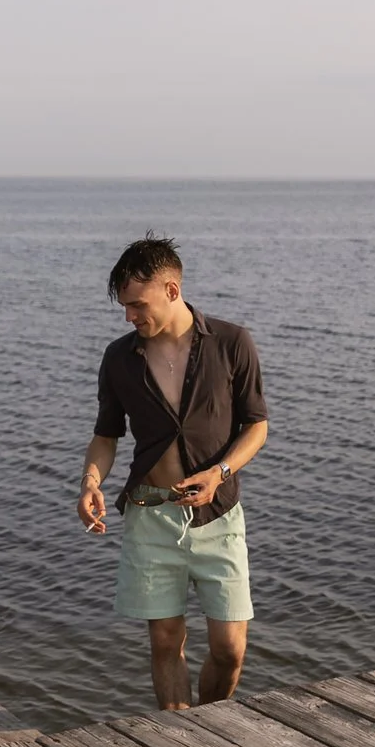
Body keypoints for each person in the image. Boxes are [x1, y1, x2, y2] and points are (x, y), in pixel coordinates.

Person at [77, 234, 271, 709]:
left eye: (137, 305)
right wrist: (91, 482)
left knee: (230, 649)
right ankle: (179, 735)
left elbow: (257, 427)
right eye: (124, 307)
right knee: (165, 641)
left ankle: (209, 720)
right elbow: (106, 436)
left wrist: (219, 472)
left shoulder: (232, 343)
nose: (129, 316)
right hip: (150, 516)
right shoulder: (119, 358)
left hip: (219, 516)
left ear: (171, 289)